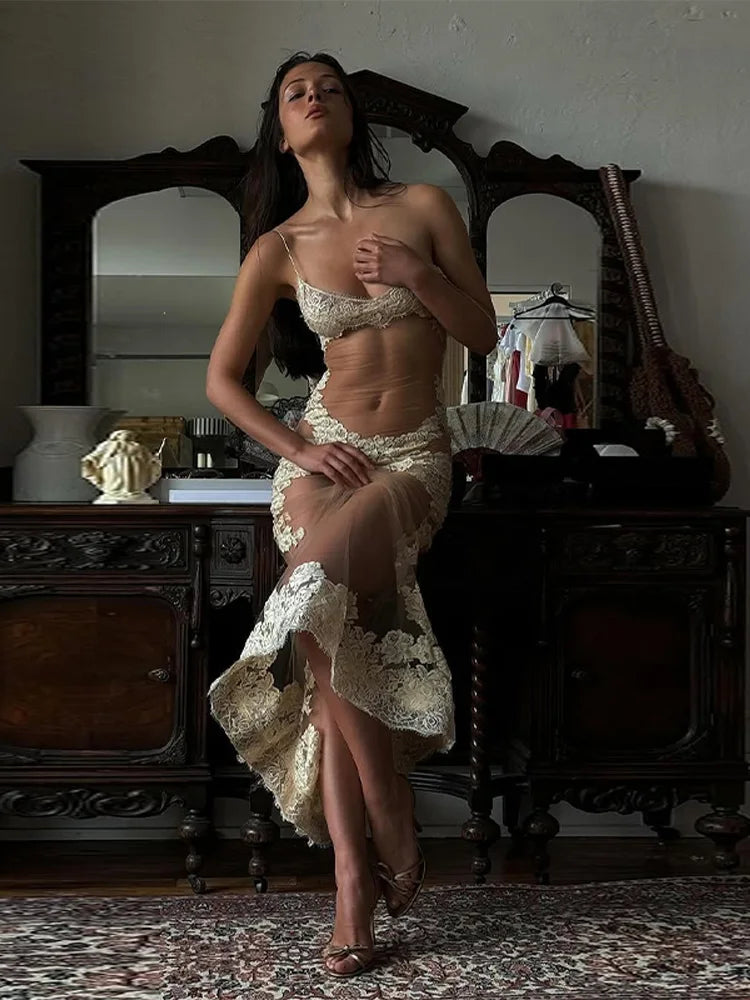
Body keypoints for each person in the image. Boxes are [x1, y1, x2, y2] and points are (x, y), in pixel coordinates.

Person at [206, 50, 497, 978]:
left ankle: (385, 833)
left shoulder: (422, 207)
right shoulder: (279, 247)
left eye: (329, 88)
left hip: (410, 458)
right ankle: (358, 877)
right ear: (280, 129)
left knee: (311, 606)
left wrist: (420, 274)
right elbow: (222, 381)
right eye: (297, 92)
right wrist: (295, 450)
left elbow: (482, 330)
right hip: (323, 458)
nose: (314, 99)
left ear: (350, 115)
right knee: (324, 637)